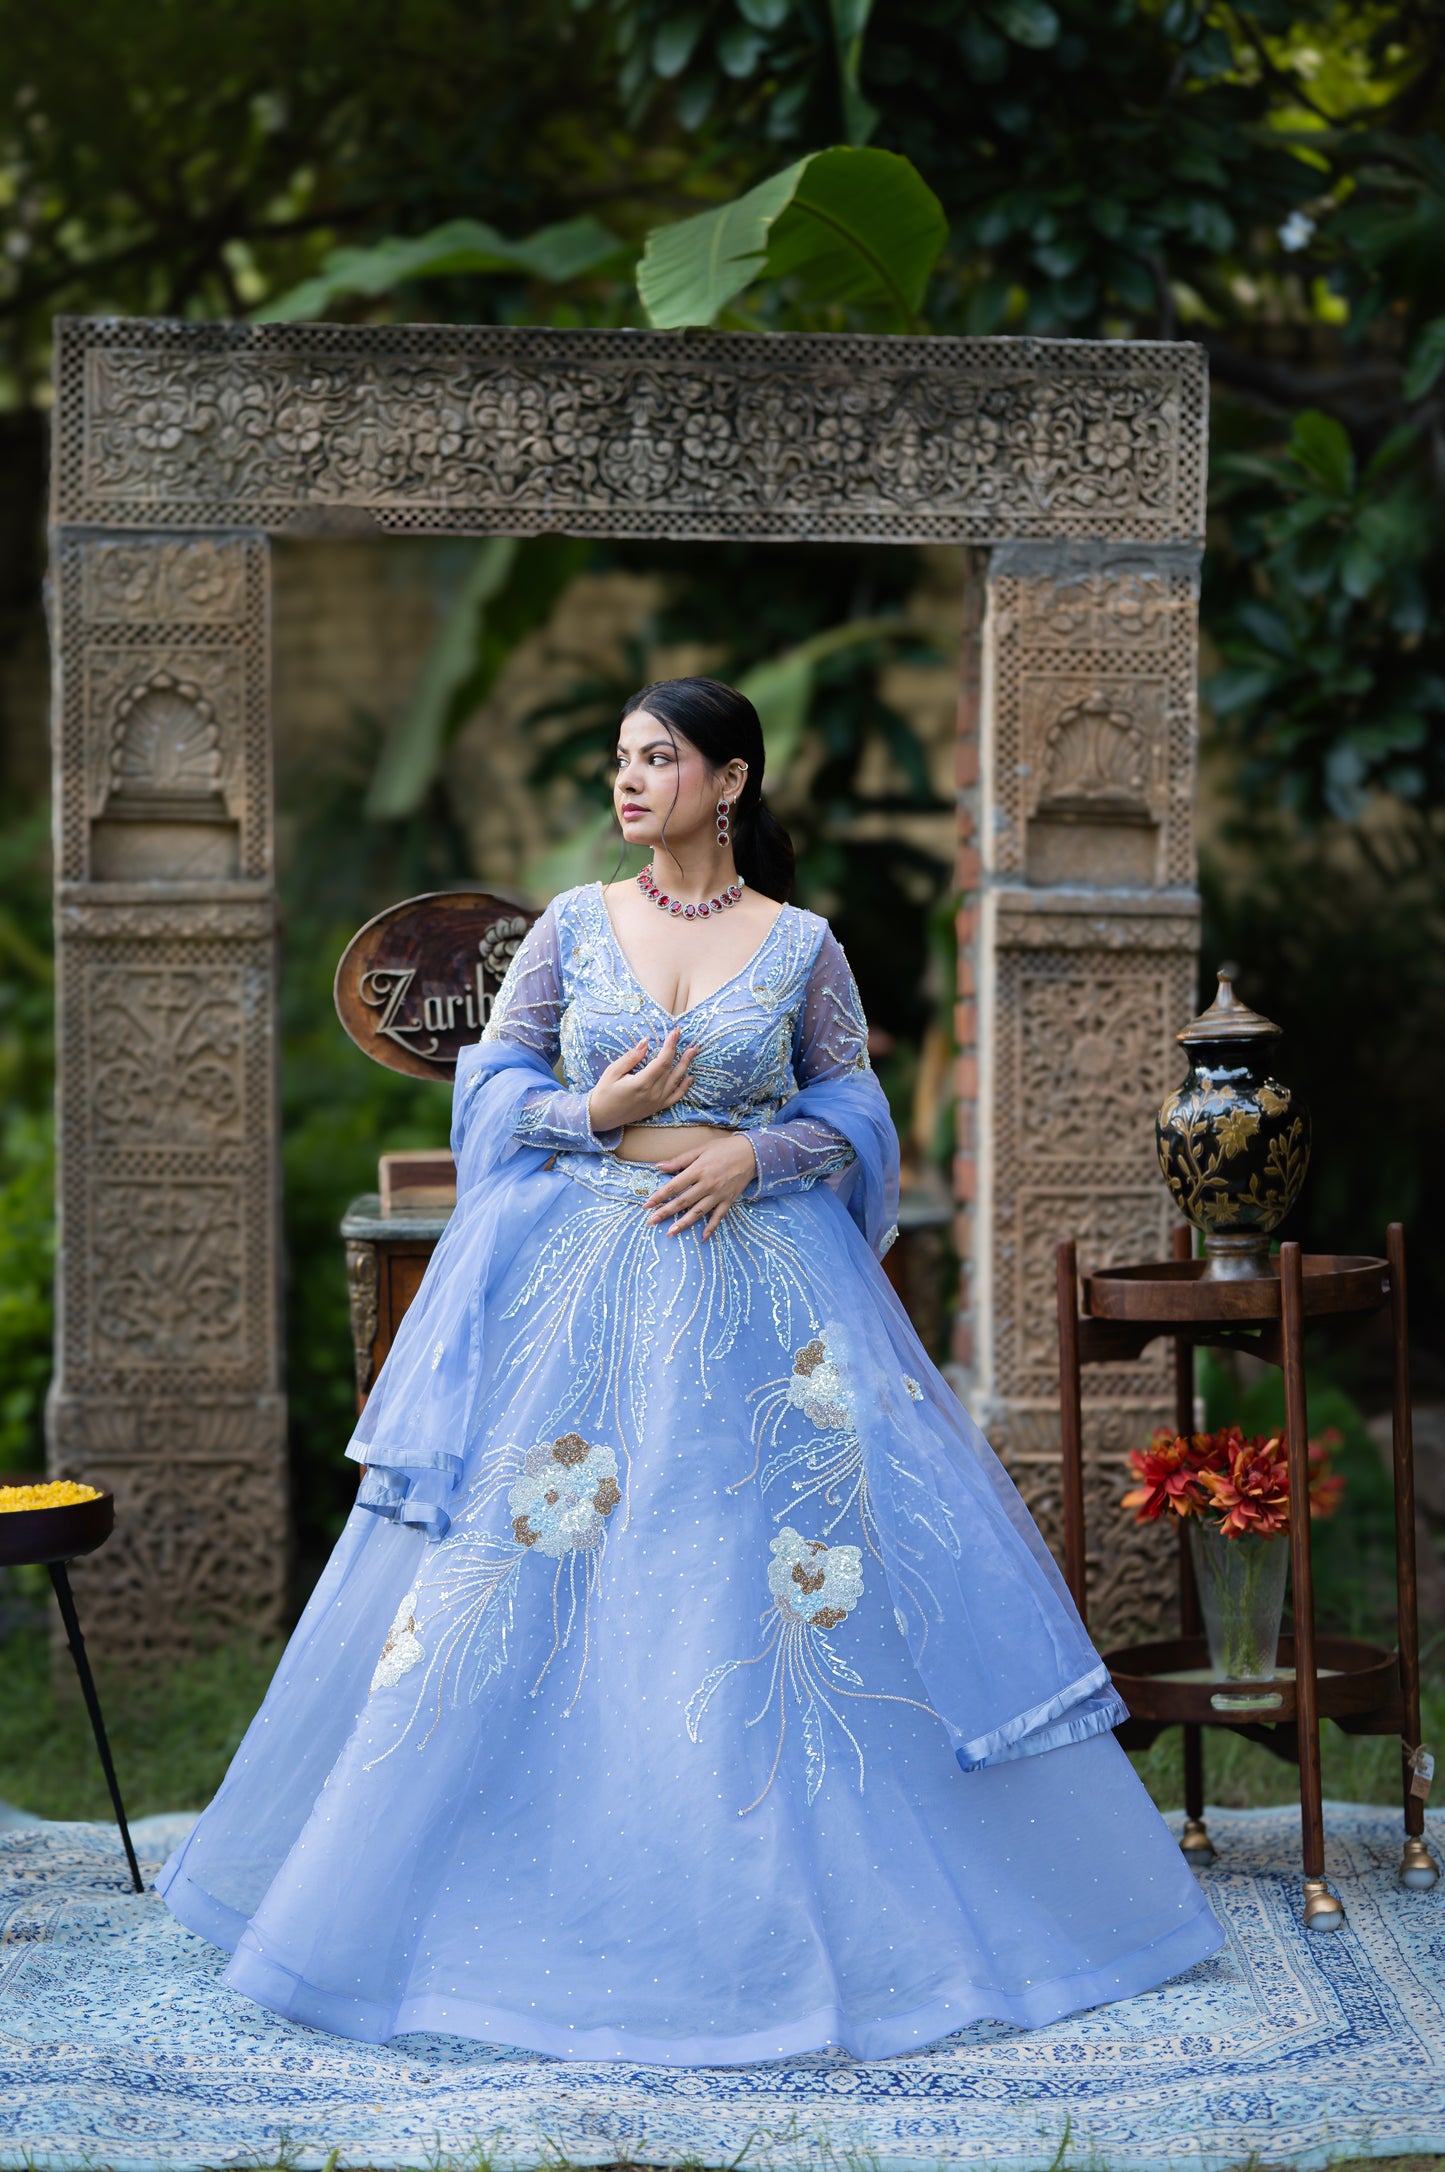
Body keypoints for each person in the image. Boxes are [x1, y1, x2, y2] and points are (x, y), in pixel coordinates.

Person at [158, 676, 1223, 2062]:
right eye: (620, 759)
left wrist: (752, 1152)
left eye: (657, 759)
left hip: (763, 1299)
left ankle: (800, 1897)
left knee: (748, 1579)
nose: (629, 780)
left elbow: (850, 1110)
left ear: (728, 783)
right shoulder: (568, 925)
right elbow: (491, 1084)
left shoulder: (802, 948)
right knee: (529, 1581)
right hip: (579, 1292)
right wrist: (586, 1112)